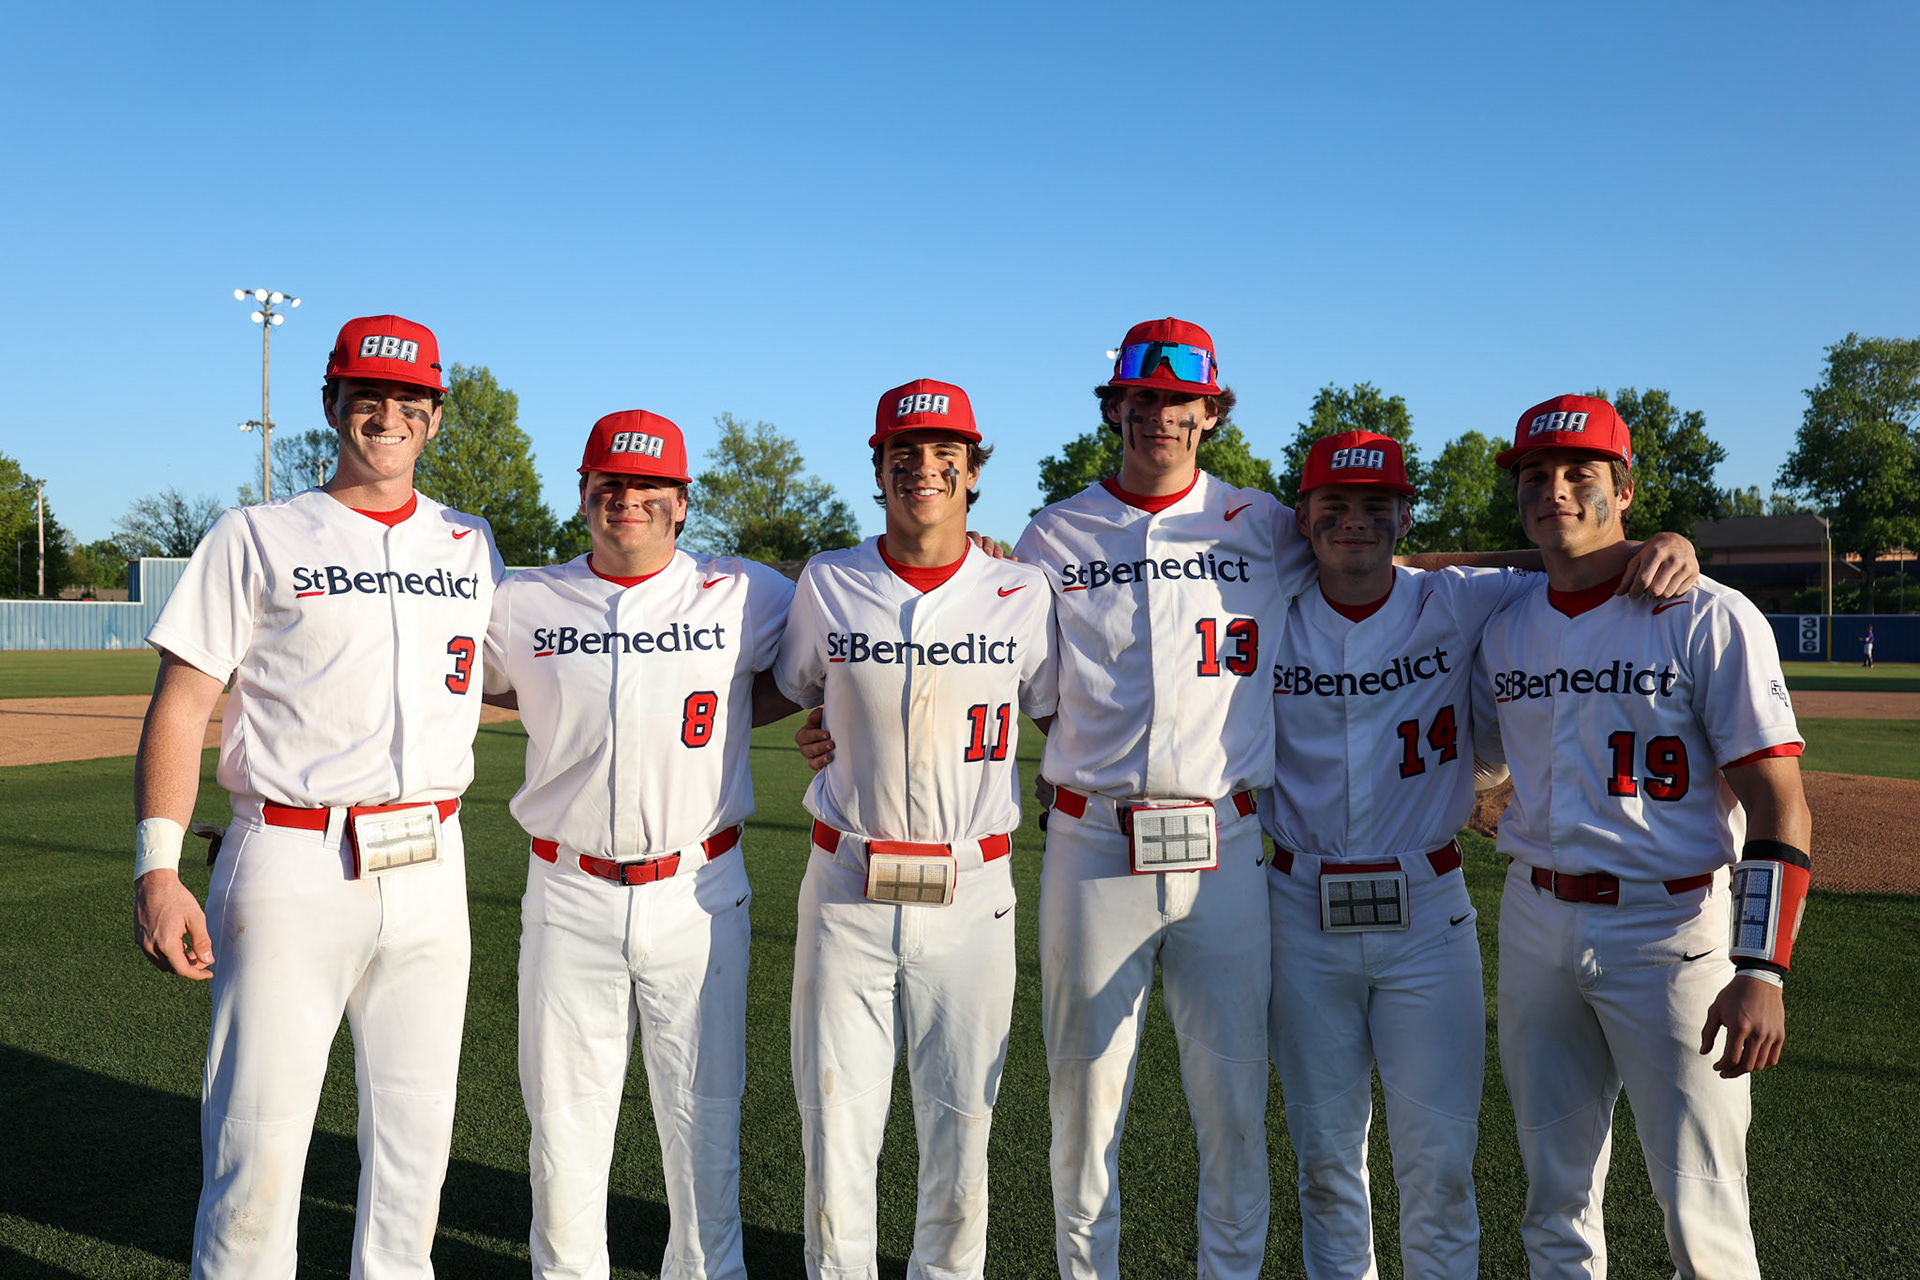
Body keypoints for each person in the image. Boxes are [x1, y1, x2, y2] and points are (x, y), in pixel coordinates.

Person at [1262, 430, 1697, 1279]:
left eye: (1376, 507)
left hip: (1426, 913)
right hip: (1296, 910)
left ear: (1402, 517)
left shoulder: (1460, 598)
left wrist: (1662, 542)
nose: (1355, 523)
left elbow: (1566, 555)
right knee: (1324, 1165)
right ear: (1302, 516)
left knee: (1439, 1168)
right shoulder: (1266, 605)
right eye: (1335, 506)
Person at [132, 315, 501, 1278]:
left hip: (432, 859)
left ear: (433, 416)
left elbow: (532, 673)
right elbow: (181, 706)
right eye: (365, 396)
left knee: (418, 1138)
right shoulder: (256, 533)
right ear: (331, 404)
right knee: (259, 1137)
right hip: (294, 856)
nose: (387, 415)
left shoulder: (471, 544)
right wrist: (157, 870)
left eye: (408, 400)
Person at [1472, 394, 1811, 1280]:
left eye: (1579, 473)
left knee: (1701, 1208)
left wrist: (1762, 970)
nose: (1554, 490)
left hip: (1671, 932)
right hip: (1536, 923)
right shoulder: (1505, 626)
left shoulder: (1708, 614)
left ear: (1623, 488)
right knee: (1554, 1198)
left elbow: (1781, 805)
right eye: (1536, 476)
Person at [1012, 319, 1311, 1280]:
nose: (1160, 418)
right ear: (1116, 409)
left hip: (1225, 843)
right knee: (1085, 1101)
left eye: (1180, 403)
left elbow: (1380, 569)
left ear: (1210, 413)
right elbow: (1001, 670)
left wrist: (1649, 545)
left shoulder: (1268, 523)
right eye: (1140, 400)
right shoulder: (1054, 531)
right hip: (1095, 844)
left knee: (1230, 1103)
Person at [481, 410, 797, 1280]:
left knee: (704, 1117)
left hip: (698, 889)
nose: (628, 499)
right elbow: (479, 685)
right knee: (566, 1122)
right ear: (583, 494)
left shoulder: (748, 591)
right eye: (610, 483)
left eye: (649, 484)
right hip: (568, 887)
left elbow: (838, 650)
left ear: (683, 501)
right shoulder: (523, 599)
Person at [775, 379, 1057, 1280]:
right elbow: (801, 692)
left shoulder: (1021, 587)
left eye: (945, 455)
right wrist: (819, 731)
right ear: (879, 468)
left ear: (973, 472)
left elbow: (1058, 712)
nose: (923, 469)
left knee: (961, 1124)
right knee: (837, 1124)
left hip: (972, 887)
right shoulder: (828, 578)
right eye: (904, 454)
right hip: (847, 884)